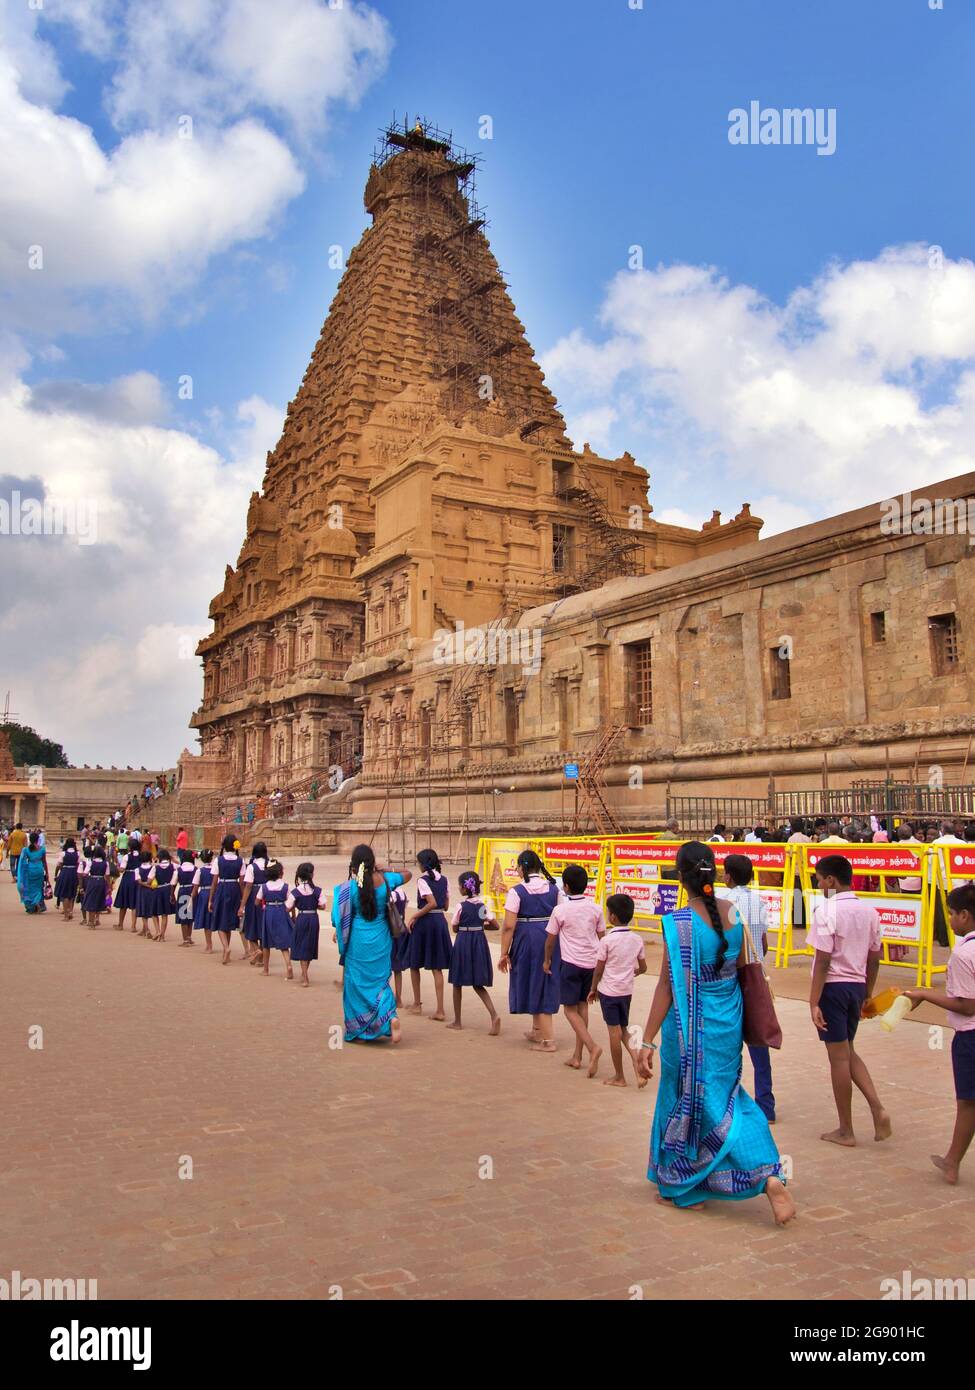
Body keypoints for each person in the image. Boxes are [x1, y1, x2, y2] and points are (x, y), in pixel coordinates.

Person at [636, 841, 794, 1224]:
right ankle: (764, 1172)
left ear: (682, 877)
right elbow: (743, 968)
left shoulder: (680, 923)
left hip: (689, 1029)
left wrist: (646, 1040)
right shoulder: (734, 914)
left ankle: (690, 1185)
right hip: (727, 1024)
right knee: (727, 1099)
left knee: (687, 1100)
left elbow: (667, 988)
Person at [809, 854, 891, 1147]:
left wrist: (813, 1000)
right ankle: (876, 1107)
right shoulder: (869, 911)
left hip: (833, 987)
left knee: (838, 1057)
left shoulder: (826, 910)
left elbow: (822, 960)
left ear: (831, 880)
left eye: (819, 878)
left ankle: (846, 1129)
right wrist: (867, 992)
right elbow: (875, 957)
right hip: (856, 986)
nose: (818, 884)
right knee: (848, 1051)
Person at [905, 882, 975, 1184]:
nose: (948, 919)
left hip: (970, 1036)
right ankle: (951, 1160)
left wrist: (924, 994)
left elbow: (967, 1006)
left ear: (965, 915)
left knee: (968, 1103)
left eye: (951, 914)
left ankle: (952, 1162)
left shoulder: (963, 955)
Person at [331, 843, 411, 1043]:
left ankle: (359, 1030)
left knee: (356, 984)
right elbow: (408, 874)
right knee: (380, 982)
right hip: (381, 939)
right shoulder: (385, 880)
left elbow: (337, 917)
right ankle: (390, 1018)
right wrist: (385, 869)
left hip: (358, 940)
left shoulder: (350, 887)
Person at [719, 853, 776, 1123]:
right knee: (758, 1040)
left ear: (728, 875)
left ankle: (729, 1103)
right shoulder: (758, 900)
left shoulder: (723, 900)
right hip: (755, 972)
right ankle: (766, 1104)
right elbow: (762, 942)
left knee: (728, 1040)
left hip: (731, 974)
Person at [542, 863, 605, 1074]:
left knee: (569, 1010)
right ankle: (577, 1056)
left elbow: (550, 940)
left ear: (566, 887)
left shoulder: (560, 910)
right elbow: (602, 938)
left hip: (571, 963)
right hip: (592, 962)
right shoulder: (595, 908)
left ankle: (591, 1047)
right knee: (582, 1007)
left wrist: (547, 960)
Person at [499, 849, 562, 1053]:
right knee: (541, 979)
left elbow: (508, 925)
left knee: (533, 979)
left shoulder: (517, 891)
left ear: (522, 868)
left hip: (527, 937)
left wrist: (504, 952)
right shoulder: (554, 889)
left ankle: (548, 1040)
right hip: (550, 936)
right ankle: (537, 1029)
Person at [588, 892, 647, 1088]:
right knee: (623, 1030)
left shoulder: (606, 941)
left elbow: (599, 969)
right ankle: (638, 1066)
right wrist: (631, 973)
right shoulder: (636, 939)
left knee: (614, 1033)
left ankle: (620, 1076)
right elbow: (644, 967)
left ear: (612, 916)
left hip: (609, 991)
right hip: (626, 991)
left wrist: (593, 988)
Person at [446, 870, 500, 1034]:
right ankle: (494, 1014)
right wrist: (481, 926)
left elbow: (454, 927)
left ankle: (457, 1020)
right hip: (479, 942)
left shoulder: (461, 906)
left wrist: (465, 927)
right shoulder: (482, 906)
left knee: (457, 982)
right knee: (478, 983)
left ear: (464, 888)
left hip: (464, 942)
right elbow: (495, 925)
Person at [405, 848, 452, 1020]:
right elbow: (445, 905)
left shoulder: (422, 880)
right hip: (439, 922)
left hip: (425, 922)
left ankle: (417, 1004)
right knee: (436, 967)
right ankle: (440, 1009)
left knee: (414, 962)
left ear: (423, 864)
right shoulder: (445, 880)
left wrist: (414, 916)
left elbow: (431, 903)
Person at [209, 834, 246, 964]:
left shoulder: (218, 860)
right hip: (235, 889)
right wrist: (242, 900)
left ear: (224, 846)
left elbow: (214, 881)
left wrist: (210, 899)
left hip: (222, 888)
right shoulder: (240, 860)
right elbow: (242, 882)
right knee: (229, 921)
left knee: (220, 921)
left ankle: (226, 948)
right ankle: (226, 952)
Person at [257, 859, 293, 978]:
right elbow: (291, 902)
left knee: (266, 942)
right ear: (280, 873)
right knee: (283, 942)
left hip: (269, 912)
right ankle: (288, 964)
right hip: (282, 911)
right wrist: (293, 914)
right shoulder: (285, 886)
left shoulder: (264, 887)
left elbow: (257, 901)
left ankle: (266, 969)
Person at [289, 862, 322, 988]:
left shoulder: (295, 891)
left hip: (302, 917)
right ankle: (304, 973)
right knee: (309, 945)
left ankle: (304, 975)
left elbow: (287, 907)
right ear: (311, 875)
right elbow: (323, 905)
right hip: (313, 918)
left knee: (302, 945)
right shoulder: (317, 890)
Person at [240, 842, 270, 965]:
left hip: (254, 896)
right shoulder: (271, 865)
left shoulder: (252, 867)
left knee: (251, 924)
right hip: (267, 896)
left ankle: (257, 950)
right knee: (263, 924)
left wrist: (242, 904)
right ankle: (261, 956)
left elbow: (248, 886)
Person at [79, 841, 111, 929]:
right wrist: (109, 887)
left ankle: (91, 922)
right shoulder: (106, 863)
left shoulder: (91, 862)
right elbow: (107, 876)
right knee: (98, 900)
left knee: (91, 901)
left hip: (92, 881)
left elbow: (85, 874)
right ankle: (97, 919)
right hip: (101, 881)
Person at [16, 831, 49, 913]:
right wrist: (47, 873)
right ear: (38, 840)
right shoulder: (42, 849)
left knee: (30, 888)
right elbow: (44, 862)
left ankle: (33, 906)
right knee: (38, 888)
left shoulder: (26, 850)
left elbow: (22, 862)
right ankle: (38, 904)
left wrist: (22, 871)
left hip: (30, 870)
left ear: (30, 840)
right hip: (39, 870)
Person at [114, 840, 141, 933]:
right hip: (137, 879)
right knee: (134, 904)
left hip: (127, 878)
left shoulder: (127, 856)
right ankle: (133, 926)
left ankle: (120, 924)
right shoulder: (141, 856)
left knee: (124, 902)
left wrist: (117, 866)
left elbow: (122, 870)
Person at [191, 849, 215, 952]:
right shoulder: (215, 869)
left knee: (206, 921)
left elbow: (195, 888)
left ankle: (209, 945)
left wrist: (192, 897)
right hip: (214, 894)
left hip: (204, 894)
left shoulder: (200, 871)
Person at [151, 849, 177, 943]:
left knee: (154, 913)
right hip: (168, 890)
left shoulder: (156, 868)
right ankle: (162, 936)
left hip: (158, 890)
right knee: (164, 914)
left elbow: (149, 880)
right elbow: (181, 866)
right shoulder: (173, 866)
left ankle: (157, 931)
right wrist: (174, 860)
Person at [52, 838, 81, 921]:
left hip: (65, 873)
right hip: (74, 873)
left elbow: (59, 865)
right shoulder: (77, 853)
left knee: (65, 894)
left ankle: (66, 915)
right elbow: (79, 864)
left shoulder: (63, 853)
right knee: (72, 893)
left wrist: (56, 874)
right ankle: (70, 912)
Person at [174, 850, 197, 946]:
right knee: (190, 915)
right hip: (192, 891)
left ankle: (185, 940)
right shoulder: (195, 869)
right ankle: (189, 937)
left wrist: (171, 894)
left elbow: (173, 883)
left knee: (183, 915)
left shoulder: (179, 869)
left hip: (183, 891)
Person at [135, 850, 158, 939]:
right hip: (151, 891)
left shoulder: (138, 869)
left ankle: (147, 929)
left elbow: (139, 882)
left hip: (141, 891)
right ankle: (149, 930)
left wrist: (146, 885)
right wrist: (149, 886)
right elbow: (149, 880)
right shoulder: (153, 868)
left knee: (143, 909)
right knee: (151, 910)